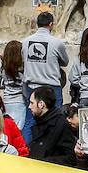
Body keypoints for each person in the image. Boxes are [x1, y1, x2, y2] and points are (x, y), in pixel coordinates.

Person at [22, 12, 69, 143]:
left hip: (33, 87)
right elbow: (65, 61)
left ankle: (27, 152)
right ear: (51, 24)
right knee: (55, 120)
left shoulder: (25, 42)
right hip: (51, 87)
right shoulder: (57, 43)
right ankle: (51, 149)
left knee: (29, 121)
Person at [27, 86, 77, 167]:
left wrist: (45, 162)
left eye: (32, 103)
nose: (29, 107)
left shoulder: (60, 124)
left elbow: (70, 158)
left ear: (41, 104)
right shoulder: (39, 121)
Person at [0, 40, 26, 127]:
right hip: (20, 100)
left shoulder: (4, 68)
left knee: (8, 127)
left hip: (7, 100)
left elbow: (10, 63)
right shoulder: (23, 69)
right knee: (19, 128)